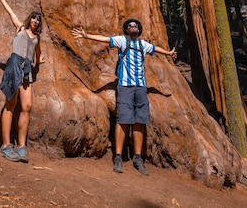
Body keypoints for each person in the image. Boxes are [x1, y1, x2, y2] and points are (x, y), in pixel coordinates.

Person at [72, 18, 177, 176]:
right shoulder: (122, 40)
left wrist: (169, 53)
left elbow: (157, 49)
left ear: (139, 29)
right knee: (123, 120)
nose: (132, 27)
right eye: (130, 26)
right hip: (125, 86)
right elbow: (106, 39)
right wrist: (86, 36)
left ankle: (137, 158)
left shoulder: (143, 44)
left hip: (141, 87)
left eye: (135, 25)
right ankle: (118, 157)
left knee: (140, 122)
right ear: (127, 30)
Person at [0, 0, 45, 163]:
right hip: (14, 64)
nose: (35, 21)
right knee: (10, 103)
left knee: (26, 106)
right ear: (29, 20)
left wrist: (39, 60)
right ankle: (6, 146)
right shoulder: (21, 28)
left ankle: (22, 147)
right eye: (33, 18)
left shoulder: (37, 38)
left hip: (27, 70)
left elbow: (37, 54)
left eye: (38, 20)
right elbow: (11, 14)